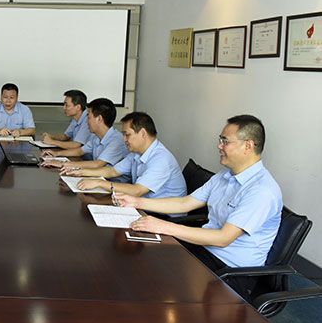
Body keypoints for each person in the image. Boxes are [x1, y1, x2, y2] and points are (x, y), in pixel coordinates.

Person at [116, 115, 282, 294]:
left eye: (225, 141)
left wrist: (164, 226)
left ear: (247, 146)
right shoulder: (223, 177)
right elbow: (184, 203)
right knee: (141, 259)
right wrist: (136, 201)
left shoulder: (262, 190)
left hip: (229, 270)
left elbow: (223, 238)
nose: (219, 146)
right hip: (203, 250)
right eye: (220, 140)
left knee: (157, 283)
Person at [67, 112, 186, 198]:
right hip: (142, 205)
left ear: (143, 133)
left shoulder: (160, 159)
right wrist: (80, 171)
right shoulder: (136, 153)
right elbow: (112, 171)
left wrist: (99, 183)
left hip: (162, 216)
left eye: (127, 135)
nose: (124, 139)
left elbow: (137, 190)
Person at [40, 97, 128, 173]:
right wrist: (56, 153)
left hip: (113, 183)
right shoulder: (97, 138)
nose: (86, 121)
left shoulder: (116, 140)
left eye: (89, 117)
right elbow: (80, 151)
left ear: (99, 119)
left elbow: (97, 164)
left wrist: (63, 164)